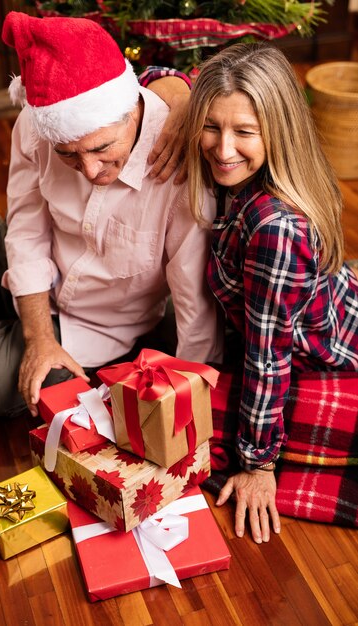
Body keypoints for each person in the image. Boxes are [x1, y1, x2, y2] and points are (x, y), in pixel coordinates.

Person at [0, 12, 222, 420]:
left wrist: (189, 404)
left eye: (102, 148)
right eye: (69, 155)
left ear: (133, 110)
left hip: (93, 327)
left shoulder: (179, 166)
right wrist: (36, 337)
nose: (91, 171)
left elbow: (194, 304)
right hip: (15, 253)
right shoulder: (35, 127)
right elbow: (25, 230)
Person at [146, 43, 358, 543]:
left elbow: (268, 359)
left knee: (175, 432)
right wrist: (178, 101)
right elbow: (151, 72)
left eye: (245, 132)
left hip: (321, 360)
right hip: (327, 301)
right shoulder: (246, 169)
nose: (223, 149)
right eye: (211, 126)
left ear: (277, 132)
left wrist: (258, 464)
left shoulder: (274, 229)